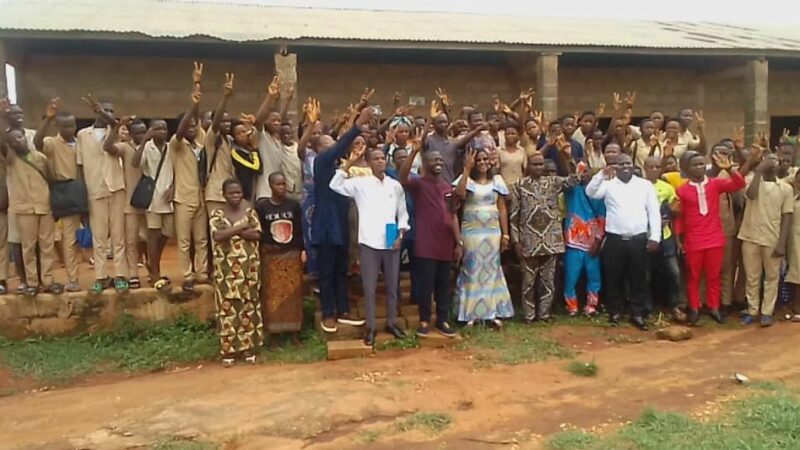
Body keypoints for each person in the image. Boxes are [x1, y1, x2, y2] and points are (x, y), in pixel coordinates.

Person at [330, 140, 410, 347]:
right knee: (370, 288)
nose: (381, 161)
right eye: (376, 159)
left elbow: (402, 213)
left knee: (393, 286)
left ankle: (392, 322)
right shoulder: (360, 183)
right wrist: (348, 164)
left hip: (391, 241)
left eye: (383, 158)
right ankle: (371, 327)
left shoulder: (395, 185)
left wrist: (401, 234)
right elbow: (334, 185)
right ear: (369, 162)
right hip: (369, 243)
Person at [312, 107, 373, 333]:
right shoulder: (321, 162)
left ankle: (344, 311)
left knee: (341, 271)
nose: (333, 146)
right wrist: (358, 124)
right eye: (329, 143)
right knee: (327, 273)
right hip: (326, 228)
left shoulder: (340, 168)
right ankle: (328, 314)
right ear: (320, 148)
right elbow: (340, 145)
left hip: (341, 228)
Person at [586, 153, 661, 330]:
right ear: (615, 167)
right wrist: (601, 174)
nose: (625, 166)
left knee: (639, 278)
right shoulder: (609, 185)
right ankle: (615, 312)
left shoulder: (645, 185)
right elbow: (590, 192)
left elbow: (653, 213)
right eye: (621, 164)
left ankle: (637, 313)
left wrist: (655, 237)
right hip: (615, 240)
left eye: (628, 163)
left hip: (639, 239)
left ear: (633, 165)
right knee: (613, 277)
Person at [399, 131, 460, 338]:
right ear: (425, 164)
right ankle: (425, 320)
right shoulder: (418, 183)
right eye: (434, 160)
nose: (439, 163)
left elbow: (452, 215)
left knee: (443, 285)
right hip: (425, 244)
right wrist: (414, 150)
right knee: (425, 286)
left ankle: (442, 320)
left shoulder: (447, 187)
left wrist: (458, 242)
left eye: (441, 160)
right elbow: (402, 176)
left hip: (445, 243)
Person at [510, 151, 580, 322]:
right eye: (535, 164)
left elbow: (575, 179)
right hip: (529, 239)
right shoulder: (519, 185)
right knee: (528, 282)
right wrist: (515, 241)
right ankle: (529, 315)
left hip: (550, 239)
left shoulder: (553, 182)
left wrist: (567, 157)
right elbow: (514, 215)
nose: (539, 167)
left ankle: (544, 314)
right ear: (528, 166)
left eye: (541, 164)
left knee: (548, 281)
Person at [453, 148, 514, 327]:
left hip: (492, 232)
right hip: (472, 232)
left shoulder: (497, 181)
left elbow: (502, 208)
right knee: (472, 269)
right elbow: (459, 194)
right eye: (478, 160)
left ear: (490, 161)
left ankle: (491, 312)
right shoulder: (468, 181)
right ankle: (471, 313)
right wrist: (466, 169)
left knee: (491, 270)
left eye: (484, 159)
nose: (481, 163)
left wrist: (506, 234)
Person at [0, 127, 61, 296]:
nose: (17, 141)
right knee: (28, 247)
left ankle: (48, 281)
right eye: (12, 140)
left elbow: (50, 180)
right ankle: (32, 282)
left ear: (25, 137)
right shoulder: (11, 160)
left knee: (47, 246)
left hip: (44, 206)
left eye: (19, 138)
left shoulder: (40, 158)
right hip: (24, 208)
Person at [210, 178, 263, 366]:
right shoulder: (217, 214)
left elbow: (256, 235)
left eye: (238, 193)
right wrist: (241, 227)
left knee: (248, 307)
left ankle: (247, 348)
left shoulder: (250, 212)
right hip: (225, 272)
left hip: (249, 269)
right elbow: (218, 236)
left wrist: (231, 231)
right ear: (224, 195)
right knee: (227, 310)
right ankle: (228, 351)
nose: (236, 196)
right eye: (232, 193)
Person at [78, 97, 128, 293]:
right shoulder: (83, 135)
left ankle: (120, 275)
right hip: (94, 189)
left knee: (118, 235)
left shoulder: (116, 132)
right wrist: (82, 192)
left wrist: (112, 122)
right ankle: (101, 276)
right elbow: (80, 167)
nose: (108, 112)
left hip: (115, 187)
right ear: (95, 111)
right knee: (98, 237)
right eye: (104, 109)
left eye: (110, 110)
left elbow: (112, 146)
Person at [738, 152, 794, 327]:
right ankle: (752, 310)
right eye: (768, 161)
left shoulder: (786, 188)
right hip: (750, 236)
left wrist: (782, 243)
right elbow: (752, 195)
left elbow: (786, 217)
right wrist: (759, 171)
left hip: (772, 238)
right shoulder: (752, 182)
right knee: (752, 277)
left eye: (774, 161)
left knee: (771, 277)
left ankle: (767, 312)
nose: (772, 164)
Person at [33, 99, 82, 292]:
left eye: (71, 125)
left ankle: (99, 275)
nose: (68, 129)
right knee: (68, 239)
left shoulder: (80, 143)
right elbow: (36, 142)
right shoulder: (51, 143)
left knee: (89, 237)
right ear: (57, 126)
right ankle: (73, 279)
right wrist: (48, 118)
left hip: (81, 190)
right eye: (64, 126)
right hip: (63, 192)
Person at [171, 64, 209, 292]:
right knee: (184, 241)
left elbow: (197, 118)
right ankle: (187, 274)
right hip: (183, 198)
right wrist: (191, 104)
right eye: (189, 126)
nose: (193, 129)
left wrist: (197, 86)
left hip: (201, 197)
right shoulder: (176, 144)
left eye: (195, 126)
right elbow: (185, 123)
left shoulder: (200, 140)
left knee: (201, 239)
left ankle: (202, 272)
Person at [256, 172, 305, 345]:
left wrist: (302, 250)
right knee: (272, 295)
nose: (282, 187)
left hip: (291, 254)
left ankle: (294, 333)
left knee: (294, 294)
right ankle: (274, 334)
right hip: (272, 256)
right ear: (270, 186)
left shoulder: (293, 205)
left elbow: (300, 228)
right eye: (278, 184)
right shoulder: (262, 207)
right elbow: (259, 230)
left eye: (284, 184)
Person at [105, 117, 148, 289]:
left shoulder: (152, 147)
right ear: (130, 134)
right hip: (131, 201)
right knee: (131, 240)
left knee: (150, 238)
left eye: (144, 132)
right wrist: (116, 127)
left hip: (151, 201)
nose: (142, 135)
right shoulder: (125, 147)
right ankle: (132, 274)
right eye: (138, 132)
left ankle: (154, 271)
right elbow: (108, 147)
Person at [134, 119, 174, 289]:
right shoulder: (146, 147)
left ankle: (153, 263)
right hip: (153, 198)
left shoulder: (171, 146)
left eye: (164, 128)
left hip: (168, 196)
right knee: (153, 235)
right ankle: (155, 272)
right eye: (157, 128)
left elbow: (177, 168)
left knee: (168, 231)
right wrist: (145, 139)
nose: (161, 131)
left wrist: (174, 187)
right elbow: (135, 163)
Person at [643, 156, 684, 321]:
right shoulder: (638, 187)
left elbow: (676, 205)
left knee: (673, 272)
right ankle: (646, 308)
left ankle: (674, 306)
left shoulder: (666, 187)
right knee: (645, 274)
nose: (654, 170)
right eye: (650, 167)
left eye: (657, 167)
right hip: (645, 236)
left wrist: (668, 211)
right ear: (644, 168)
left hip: (665, 236)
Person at [563, 165, 605, 317]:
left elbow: (602, 219)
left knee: (594, 276)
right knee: (571, 276)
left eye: (588, 172)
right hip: (573, 242)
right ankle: (571, 305)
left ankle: (591, 305)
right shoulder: (572, 190)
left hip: (593, 243)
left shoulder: (599, 195)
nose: (585, 175)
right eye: (582, 172)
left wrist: (598, 241)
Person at [204, 73, 235, 216]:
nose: (227, 124)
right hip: (215, 193)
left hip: (231, 194)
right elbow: (215, 123)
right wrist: (225, 97)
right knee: (217, 230)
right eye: (223, 121)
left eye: (229, 121)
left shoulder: (230, 140)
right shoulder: (212, 138)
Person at [784, 170, 800, 322]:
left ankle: (797, 308)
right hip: (793, 242)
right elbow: (784, 180)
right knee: (795, 274)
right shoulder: (794, 196)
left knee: (797, 275)